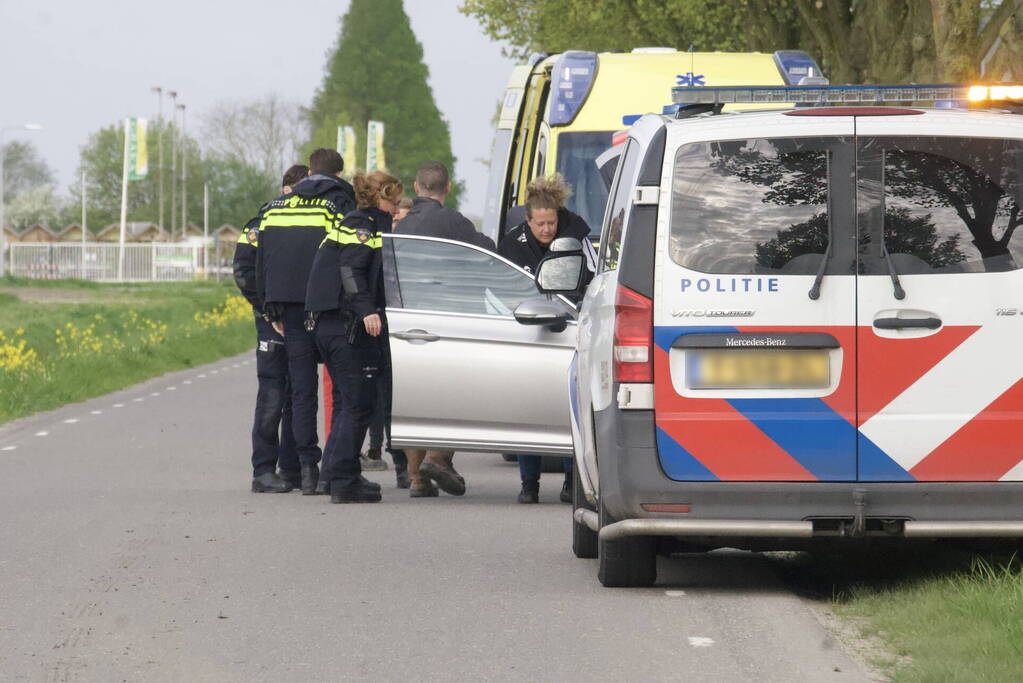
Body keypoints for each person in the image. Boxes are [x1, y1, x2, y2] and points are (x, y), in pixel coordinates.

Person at [255, 149, 356, 495]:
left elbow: (261, 261)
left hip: (288, 313)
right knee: (342, 390)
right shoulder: (336, 207)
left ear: (309, 172)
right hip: (328, 309)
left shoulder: (271, 210)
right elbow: (347, 259)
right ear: (337, 174)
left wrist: (269, 309)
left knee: (302, 393)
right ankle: (335, 468)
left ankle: (307, 470)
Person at [395, 161, 496, 498]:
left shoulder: (401, 226)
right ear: (447, 188)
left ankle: (416, 479)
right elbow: (488, 253)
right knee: (454, 393)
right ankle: (438, 459)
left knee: (414, 398)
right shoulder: (453, 220)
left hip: (406, 322)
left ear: (416, 186)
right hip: (447, 320)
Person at [305, 170, 404, 503]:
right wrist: (367, 310)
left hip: (332, 326)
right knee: (359, 404)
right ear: (380, 198)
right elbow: (351, 270)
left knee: (350, 403)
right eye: (395, 201)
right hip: (344, 327)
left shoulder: (359, 222)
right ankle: (345, 481)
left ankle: (334, 474)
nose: (397, 208)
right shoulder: (362, 225)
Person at [498, 174, 596, 504]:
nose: (546, 230)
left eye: (551, 222)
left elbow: (593, 279)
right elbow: (503, 290)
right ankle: (529, 483)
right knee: (529, 408)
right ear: (528, 220)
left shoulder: (577, 233)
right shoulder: (512, 243)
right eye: (539, 224)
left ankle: (572, 481)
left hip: (569, 329)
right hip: (527, 331)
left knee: (569, 409)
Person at [234, 164, 308, 493]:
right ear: (286, 189)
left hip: (302, 321)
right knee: (273, 395)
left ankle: (292, 468)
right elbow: (243, 269)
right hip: (271, 322)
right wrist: (266, 309)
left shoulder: (311, 220)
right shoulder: (262, 221)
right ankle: (263, 470)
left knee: (300, 394)